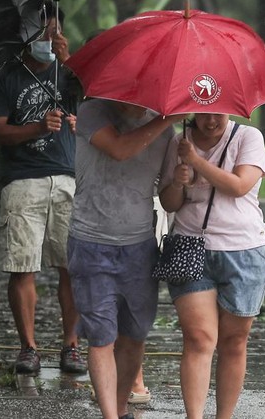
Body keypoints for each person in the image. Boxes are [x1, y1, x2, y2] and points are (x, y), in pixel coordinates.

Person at [0, 0, 86, 375]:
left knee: (71, 267)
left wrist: (70, 61)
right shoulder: (6, 77)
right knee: (21, 265)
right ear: (25, 37)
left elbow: (98, 107)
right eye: (41, 33)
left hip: (68, 177)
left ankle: (71, 346)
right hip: (22, 180)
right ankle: (28, 347)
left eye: (54, 32)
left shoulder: (70, 75)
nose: (48, 39)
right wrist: (38, 128)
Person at [67, 98, 184, 418]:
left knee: (135, 336)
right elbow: (118, 148)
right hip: (91, 243)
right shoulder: (92, 112)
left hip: (139, 247)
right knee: (101, 336)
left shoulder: (167, 131)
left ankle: (119, 408)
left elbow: (168, 200)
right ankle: (109, 414)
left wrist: (182, 178)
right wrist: (164, 120)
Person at [158, 113, 265, 419]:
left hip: (243, 251)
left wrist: (196, 161)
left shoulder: (249, 138)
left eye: (218, 115)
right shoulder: (177, 142)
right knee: (199, 338)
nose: (210, 122)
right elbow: (169, 203)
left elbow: (238, 186)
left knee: (233, 341)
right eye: (204, 114)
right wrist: (179, 183)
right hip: (189, 245)